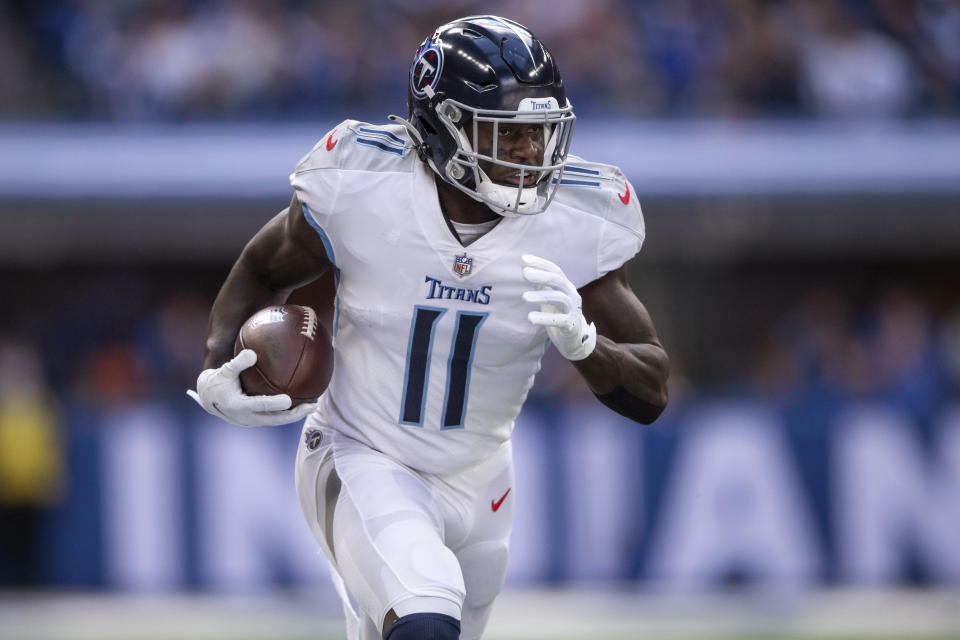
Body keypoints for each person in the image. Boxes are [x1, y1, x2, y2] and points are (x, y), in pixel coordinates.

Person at [189, 15, 669, 640]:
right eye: (508, 133)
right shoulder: (364, 183)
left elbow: (651, 392)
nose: (530, 153)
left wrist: (586, 347)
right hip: (363, 451)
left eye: (540, 133)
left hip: (485, 479)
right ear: (444, 127)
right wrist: (214, 361)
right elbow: (262, 264)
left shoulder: (579, 218)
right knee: (423, 619)